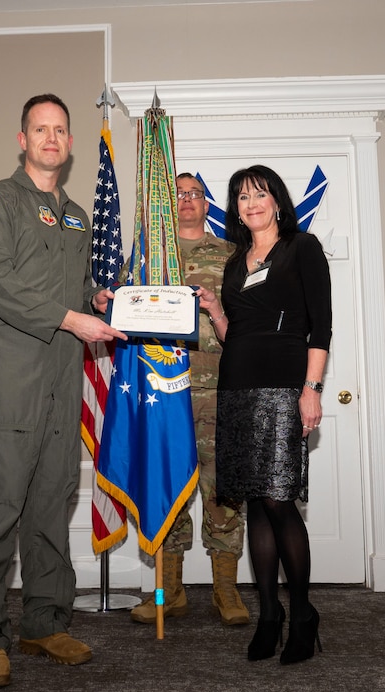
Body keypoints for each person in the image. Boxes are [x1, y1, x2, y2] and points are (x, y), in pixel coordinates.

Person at [0, 93, 127, 689]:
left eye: (60, 130)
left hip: (62, 384)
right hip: (7, 386)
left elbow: (75, 291)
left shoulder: (79, 216)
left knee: (51, 508)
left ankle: (44, 622)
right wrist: (73, 318)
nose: (51, 138)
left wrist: (98, 303)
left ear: (71, 143)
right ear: (22, 138)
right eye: (40, 129)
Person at [196, 164, 331, 665]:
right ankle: (269, 615)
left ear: (277, 200)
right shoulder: (235, 262)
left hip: (283, 389)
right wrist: (215, 310)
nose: (250, 203)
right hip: (237, 388)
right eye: (241, 197)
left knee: (279, 501)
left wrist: (311, 389)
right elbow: (241, 333)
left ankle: (302, 615)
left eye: (259, 194)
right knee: (255, 502)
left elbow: (321, 327)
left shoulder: (303, 247)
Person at [129, 173, 249, 627]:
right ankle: (170, 592)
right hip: (165, 395)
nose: (187, 201)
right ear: (167, 203)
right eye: (178, 194)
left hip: (221, 392)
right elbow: (122, 308)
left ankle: (226, 591)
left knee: (223, 494)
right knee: (170, 492)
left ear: (206, 203)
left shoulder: (231, 256)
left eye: (195, 194)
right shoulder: (148, 256)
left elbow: (247, 324)